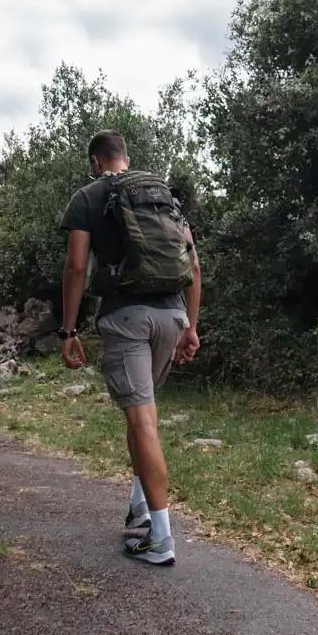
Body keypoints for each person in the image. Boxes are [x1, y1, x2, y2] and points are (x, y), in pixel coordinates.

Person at [57, 130, 202, 566]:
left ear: (97, 162)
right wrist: (191, 328)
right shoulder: (160, 195)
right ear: (125, 157)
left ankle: (160, 538)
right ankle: (140, 506)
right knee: (144, 413)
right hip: (172, 316)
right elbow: (193, 263)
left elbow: (77, 266)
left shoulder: (89, 196)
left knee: (141, 420)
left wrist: (68, 330)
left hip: (127, 318)